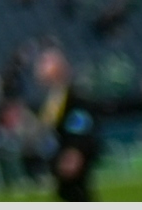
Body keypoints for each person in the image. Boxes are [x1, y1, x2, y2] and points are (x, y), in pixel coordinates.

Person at [35, 48, 99, 202]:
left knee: (77, 195)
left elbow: (81, 123)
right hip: (59, 154)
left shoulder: (73, 96)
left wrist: (75, 151)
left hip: (71, 155)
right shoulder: (53, 97)